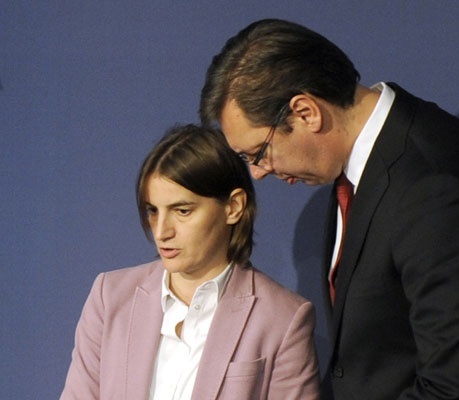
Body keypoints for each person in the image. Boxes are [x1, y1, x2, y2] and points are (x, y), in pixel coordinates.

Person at [199, 19, 459, 400]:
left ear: (306, 112)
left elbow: (457, 388)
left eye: (259, 153)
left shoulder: (433, 189)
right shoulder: (366, 163)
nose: (258, 172)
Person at [61, 124, 320, 399]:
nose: (161, 232)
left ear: (233, 207)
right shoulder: (110, 296)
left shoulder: (283, 318)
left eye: (182, 211)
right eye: (153, 211)